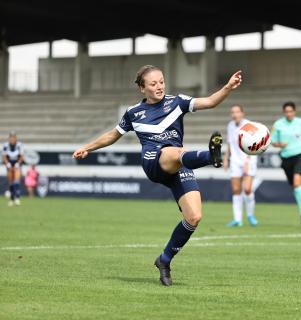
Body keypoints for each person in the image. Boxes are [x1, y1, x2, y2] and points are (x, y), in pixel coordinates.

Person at [73, 65, 242, 286]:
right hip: (155, 160)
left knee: (194, 217)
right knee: (174, 152)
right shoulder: (134, 113)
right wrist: (88, 147)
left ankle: (164, 260)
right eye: (153, 84)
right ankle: (210, 157)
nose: (159, 86)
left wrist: (228, 87)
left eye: (161, 81)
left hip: (180, 162)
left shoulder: (177, 101)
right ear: (142, 88)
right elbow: (112, 136)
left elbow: (210, 101)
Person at [271, 101, 301, 226]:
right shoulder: (278, 125)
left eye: (291, 111)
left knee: (297, 182)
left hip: (300, 155)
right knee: (295, 187)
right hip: (286, 158)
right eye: (286, 112)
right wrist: (279, 144)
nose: (289, 114)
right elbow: (272, 142)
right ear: (284, 112)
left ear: (294, 111)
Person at [224, 104, 258, 227]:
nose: (235, 114)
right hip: (235, 160)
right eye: (233, 112)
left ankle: (250, 215)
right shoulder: (230, 125)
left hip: (248, 159)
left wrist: (247, 161)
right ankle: (237, 219)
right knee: (236, 190)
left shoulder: (248, 125)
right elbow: (230, 143)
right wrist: (226, 158)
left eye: (237, 112)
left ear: (242, 113)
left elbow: (253, 144)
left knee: (248, 189)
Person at [2, 132, 24, 206]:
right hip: (9, 164)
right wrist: (7, 164)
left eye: (13, 137)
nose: (12, 139)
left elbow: (21, 156)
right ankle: (12, 198)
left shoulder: (19, 145)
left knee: (16, 180)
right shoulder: (5, 145)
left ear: (15, 138)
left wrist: (18, 164)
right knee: (11, 182)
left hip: (17, 164)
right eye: (10, 137)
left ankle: (17, 198)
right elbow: (4, 156)